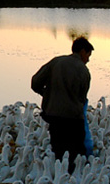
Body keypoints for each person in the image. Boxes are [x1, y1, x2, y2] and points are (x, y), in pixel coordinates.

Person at [31, 37, 94, 167]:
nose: (88, 59)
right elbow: (82, 97)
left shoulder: (56, 62)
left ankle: (58, 173)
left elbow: (35, 82)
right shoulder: (83, 71)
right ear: (82, 51)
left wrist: (47, 95)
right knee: (75, 151)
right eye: (88, 55)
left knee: (58, 149)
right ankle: (72, 177)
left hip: (53, 116)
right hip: (73, 119)